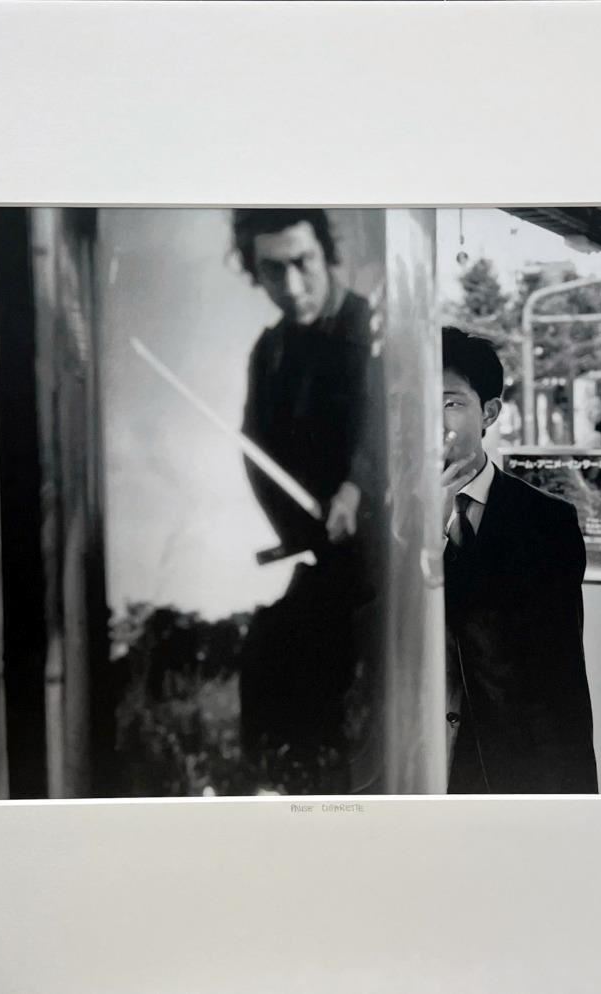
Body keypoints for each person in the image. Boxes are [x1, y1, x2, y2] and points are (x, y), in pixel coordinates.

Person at [232, 209, 383, 781]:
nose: (292, 286)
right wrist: (301, 530)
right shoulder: (269, 352)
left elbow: (391, 427)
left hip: (388, 566)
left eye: (303, 263)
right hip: (324, 554)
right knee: (266, 662)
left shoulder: (374, 328)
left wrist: (357, 488)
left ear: (326, 254)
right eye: (274, 270)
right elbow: (255, 454)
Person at [439, 327, 598, 793]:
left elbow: (559, 681)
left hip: (498, 770)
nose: (430, 420)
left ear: (489, 412)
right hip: (403, 768)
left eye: (451, 403)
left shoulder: (546, 522)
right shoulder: (376, 524)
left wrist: (573, 800)